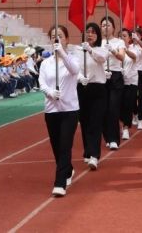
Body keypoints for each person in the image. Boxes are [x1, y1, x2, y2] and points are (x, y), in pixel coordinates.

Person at [40, 25, 81, 197]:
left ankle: (59, 183)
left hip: (69, 109)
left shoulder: (72, 59)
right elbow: (42, 83)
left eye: (60, 36)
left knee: (65, 145)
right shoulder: (45, 63)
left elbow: (75, 70)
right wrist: (50, 92)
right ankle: (68, 169)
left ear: (67, 39)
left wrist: (62, 53)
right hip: (51, 110)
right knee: (56, 146)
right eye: (53, 36)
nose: (56, 38)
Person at [77, 22, 108, 170]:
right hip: (82, 88)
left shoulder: (102, 49)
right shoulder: (78, 50)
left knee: (95, 122)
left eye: (93, 32)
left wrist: (89, 50)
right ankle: (88, 150)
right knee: (84, 121)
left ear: (98, 35)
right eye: (88, 31)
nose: (90, 34)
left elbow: (101, 59)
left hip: (98, 89)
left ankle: (95, 155)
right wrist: (79, 77)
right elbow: (74, 68)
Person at [101, 16, 125, 150]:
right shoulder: (99, 42)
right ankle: (107, 137)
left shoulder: (119, 42)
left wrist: (112, 50)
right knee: (103, 109)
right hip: (101, 76)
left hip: (115, 76)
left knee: (113, 108)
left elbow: (122, 57)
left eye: (108, 25)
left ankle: (114, 139)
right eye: (103, 25)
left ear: (113, 28)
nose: (105, 27)